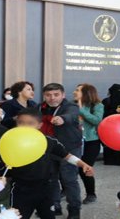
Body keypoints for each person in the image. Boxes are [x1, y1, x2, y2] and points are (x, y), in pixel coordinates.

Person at [2, 110, 94, 219]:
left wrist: (83, 164)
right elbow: (0, 161)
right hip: (20, 190)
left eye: (30, 123)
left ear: (39, 125)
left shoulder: (48, 141)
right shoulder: (11, 141)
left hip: (45, 189)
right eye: (21, 122)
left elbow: (66, 155)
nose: (25, 126)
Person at [36, 83, 83, 219]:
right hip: (48, 149)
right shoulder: (39, 107)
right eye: (48, 95)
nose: (52, 98)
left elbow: (71, 115)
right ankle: (54, 206)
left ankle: (74, 210)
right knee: (51, 179)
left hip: (69, 148)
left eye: (56, 95)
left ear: (63, 95)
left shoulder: (71, 106)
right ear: (44, 96)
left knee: (69, 179)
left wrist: (62, 119)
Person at [73, 84, 104, 203]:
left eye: (78, 90)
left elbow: (97, 120)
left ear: (86, 93)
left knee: (85, 168)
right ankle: (65, 190)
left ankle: (91, 194)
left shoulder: (97, 105)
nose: (74, 92)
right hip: (74, 141)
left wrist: (81, 110)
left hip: (91, 142)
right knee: (67, 168)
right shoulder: (70, 105)